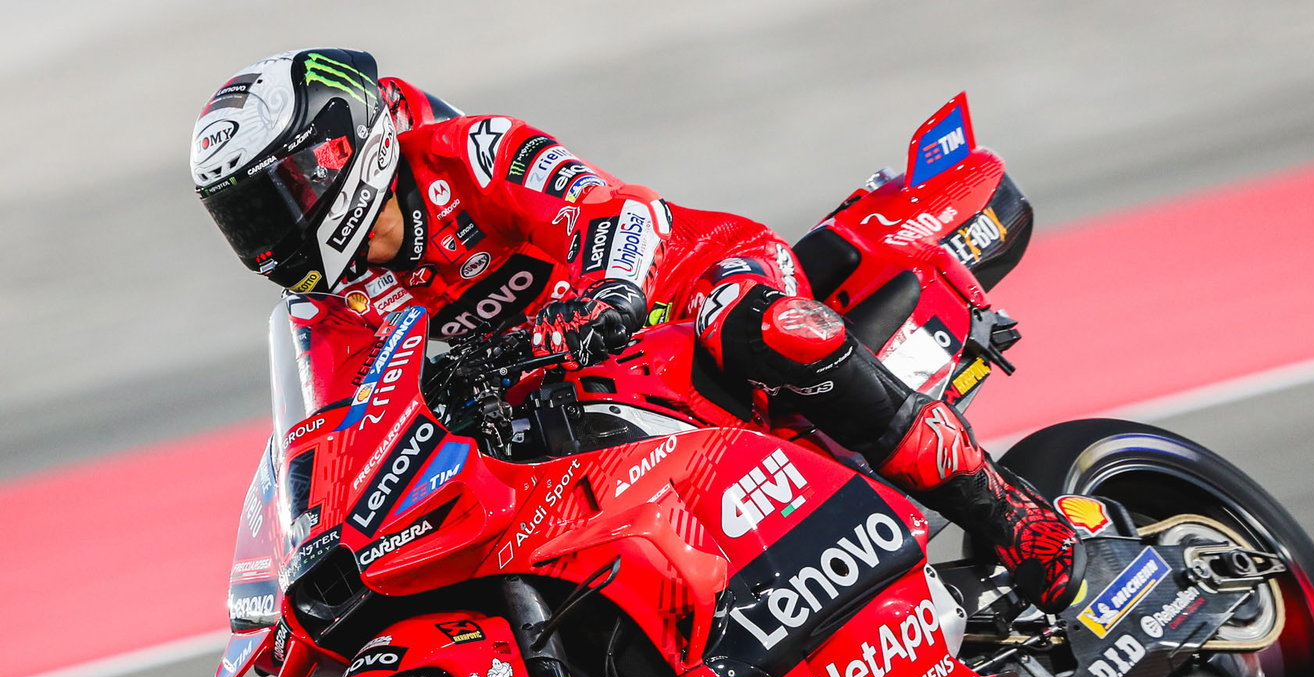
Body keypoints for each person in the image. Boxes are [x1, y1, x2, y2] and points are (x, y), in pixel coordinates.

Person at [192, 49, 1088, 612]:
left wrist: (605, 296)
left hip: (683, 287)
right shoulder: (327, 317)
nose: (263, 237)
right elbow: (341, 439)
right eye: (239, 219)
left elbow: (605, 209)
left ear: (336, 157)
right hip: (570, 404)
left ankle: (1019, 523)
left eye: (270, 202)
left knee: (764, 329)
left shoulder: (460, 154)